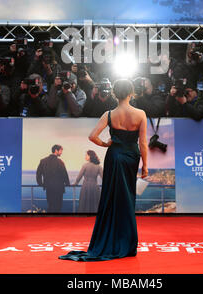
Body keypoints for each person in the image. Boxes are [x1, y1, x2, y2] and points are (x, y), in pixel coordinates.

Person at [59, 78, 148, 262]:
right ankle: (127, 243)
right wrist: (145, 165)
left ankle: (108, 239)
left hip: (114, 156)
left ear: (114, 94)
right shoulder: (140, 114)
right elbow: (143, 143)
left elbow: (93, 136)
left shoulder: (109, 114)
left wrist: (106, 143)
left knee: (111, 198)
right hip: (131, 157)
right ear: (131, 93)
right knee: (127, 198)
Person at [36, 144, 70, 213]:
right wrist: (67, 184)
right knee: (58, 206)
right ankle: (57, 222)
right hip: (59, 188)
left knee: (50, 205)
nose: (61, 152)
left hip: (49, 187)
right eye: (60, 151)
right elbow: (65, 175)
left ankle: (50, 221)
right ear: (56, 150)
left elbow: (38, 174)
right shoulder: (60, 162)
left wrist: (41, 183)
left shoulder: (43, 161)